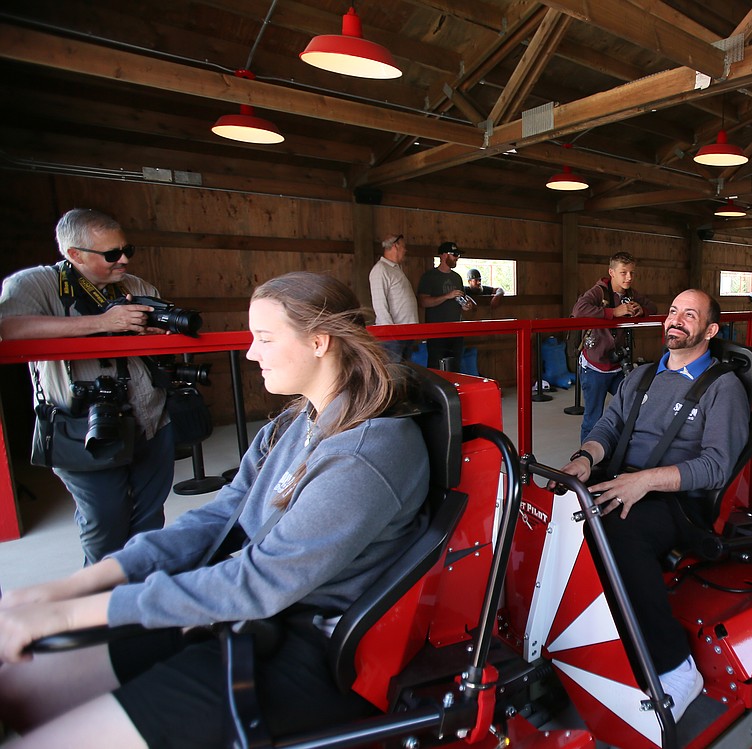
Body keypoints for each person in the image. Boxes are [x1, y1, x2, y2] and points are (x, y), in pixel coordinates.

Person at [0, 271, 430, 748]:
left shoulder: (365, 453)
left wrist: (65, 617)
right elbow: (219, 517)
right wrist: (78, 585)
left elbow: (257, 583)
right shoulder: (297, 421)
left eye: (264, 338)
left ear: (319, 342)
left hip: (309, 649)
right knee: (17, 688)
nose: (251, 353)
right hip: (248, 613)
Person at [559, 289, 748, 723]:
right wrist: (586, 459)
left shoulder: (724, 388)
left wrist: (645, 481)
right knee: (557, 515)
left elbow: (718, 465)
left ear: (710, 330)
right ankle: (584, 633)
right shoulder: (642, 375)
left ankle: (675, 668)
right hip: (623, 480)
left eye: (690, 315)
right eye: (674, 312)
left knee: (617, 534)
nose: (676, 320)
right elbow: (607, 427)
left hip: (680, 503)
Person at [0, 209, 174, 565]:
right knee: (104, 521)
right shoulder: (34, 284)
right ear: (74, 254)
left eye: (127, 250)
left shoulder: (136, 286)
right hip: (82, 426)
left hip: (148, 416)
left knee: (149, 519)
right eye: (111, 254)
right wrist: (102, 323)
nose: (123, 259)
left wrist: (162, 333)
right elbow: (11, 329)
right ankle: (100, 601)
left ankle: (141, 594)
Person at [570, 252, 657, 442]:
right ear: (612, 272)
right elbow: (578, 310)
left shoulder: (632, 294)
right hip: (595, 366)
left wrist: (642, 310)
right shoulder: (599, 291)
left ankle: (621, 448)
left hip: (618, 365)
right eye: (623, 272)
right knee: (593, 417)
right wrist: (613, 312)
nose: (629, 277)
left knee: (633, 406)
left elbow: (653, 306)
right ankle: (587, 460)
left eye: (632, 273)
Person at [416, 241, 473, 371]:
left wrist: (465, 306)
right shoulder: (429, 277)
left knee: (455, 367)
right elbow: (423, 302)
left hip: (456, 331)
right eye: (454, 254)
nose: (457, 257)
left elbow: (459, 299)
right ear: (443, 256)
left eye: (458, 255)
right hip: (436, 332)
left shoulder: (457, 278)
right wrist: (446, 296)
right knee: (436, 368)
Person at [368, 232, 418, 361]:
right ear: (395, 246)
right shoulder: (380, 270)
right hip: (394, 336)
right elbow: (380, 305)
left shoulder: (395, 269)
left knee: (406, 371)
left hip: (406, 332)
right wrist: (391, 332)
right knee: (395, 372)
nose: (405, 250)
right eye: (403, 246)